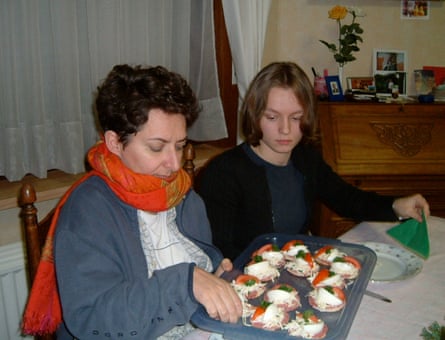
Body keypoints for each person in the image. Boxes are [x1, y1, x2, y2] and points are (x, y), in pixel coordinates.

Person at [22, 64, 242, 339]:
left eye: (180, 145)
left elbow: (200, 264)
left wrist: (216, 275)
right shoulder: (88, 210)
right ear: (115, 143)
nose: (174, 164)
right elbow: (92, 319)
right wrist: (185, 285)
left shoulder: (183, 195)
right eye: (156, 147)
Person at [197, 61, 430, 260]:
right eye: (272, 117)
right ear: (254, 115)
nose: (285, 129)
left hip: (298, 268)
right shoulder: (223, 173)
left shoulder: (306, 159)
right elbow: (219, 251)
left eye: (296, 118)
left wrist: (395, 206)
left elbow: (347, 199)